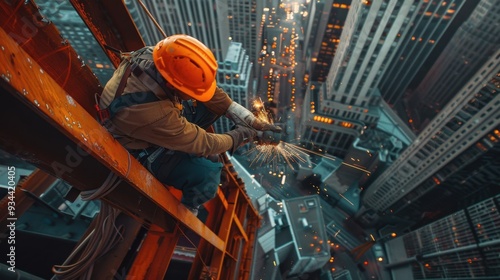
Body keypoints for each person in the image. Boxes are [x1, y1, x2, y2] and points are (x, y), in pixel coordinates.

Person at [97, 34, 281, 216]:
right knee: (209, 175)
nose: (193, 96)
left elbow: (212, 95)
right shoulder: (153, 114)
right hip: (140, 147)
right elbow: (205, 143)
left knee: (210, 106)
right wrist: (243, 135)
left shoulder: (160, 57)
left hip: (150, 120)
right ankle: (186, 210)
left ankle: (187, 150)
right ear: (172, 85)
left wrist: (249, 120)